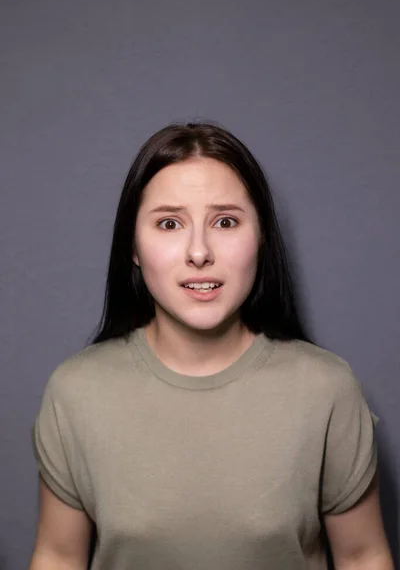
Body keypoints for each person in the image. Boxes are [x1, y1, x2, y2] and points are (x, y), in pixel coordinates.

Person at [29, 122, 393, 570]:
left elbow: (363, 556)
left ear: (260, 237)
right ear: (134, 247)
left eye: (225, 221)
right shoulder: (76, 392)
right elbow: (58, 557)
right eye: (169, 223)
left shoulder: (326, 389)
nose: (199, 252)